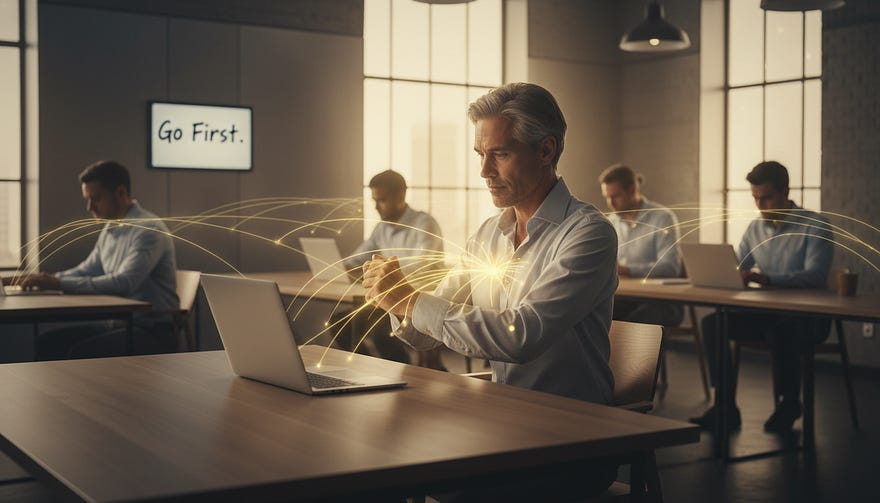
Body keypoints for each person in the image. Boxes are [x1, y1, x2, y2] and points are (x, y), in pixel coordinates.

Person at [363, 82, 619, 499]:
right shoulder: (488, 233)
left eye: (499, 154)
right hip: (504, 424)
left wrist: (411, 300)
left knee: (402, 476)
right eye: (481, 155)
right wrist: (395, 299)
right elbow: (425, 331)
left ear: (545, 151)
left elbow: (520, 337)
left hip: (574, 440)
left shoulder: (588, 234)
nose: (484, 172)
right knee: (376, 461)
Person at [690, 161, 833, 434]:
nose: (760, 205)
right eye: (756, 198)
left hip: (807, 316)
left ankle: (789, 404)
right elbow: (739, 264)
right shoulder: (756, 228)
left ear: (785, 192)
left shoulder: (816, 225)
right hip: (768, 312)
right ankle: (724, 407)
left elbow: (815, 276)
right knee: (713, 324)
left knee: (785, 330)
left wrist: (766, 279)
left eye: (766, 198)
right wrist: (726, 272)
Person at [5, 160, 179, 359]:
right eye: (87, 199)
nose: (89, 207)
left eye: (95, 199)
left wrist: (57, 283)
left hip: (153, 330)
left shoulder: (149, 230)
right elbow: (86, 269)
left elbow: (125, 283)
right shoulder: (111, 228)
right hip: (121, 322)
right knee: (48, 343)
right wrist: (44, 279)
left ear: (121, 193)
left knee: (79, 353)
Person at [343, 169, 446, 369]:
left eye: (381, 200)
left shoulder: (424, 224)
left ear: (400, 196)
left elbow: (421, 268)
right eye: (374, 201)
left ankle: (402, 371)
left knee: (379, 331)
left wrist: (380, 271)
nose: (376, 207)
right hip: (386, 300)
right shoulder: (382, 228)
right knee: (340, 322)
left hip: (414, 301)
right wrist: (350, 267)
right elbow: (356, 259)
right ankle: (372, 370)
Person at [600, 163, 684, 326]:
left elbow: (670, 268)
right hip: (627, 295)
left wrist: (626, 270)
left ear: (632, 190)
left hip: (662, 300)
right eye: (607, 197)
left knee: (638, 322)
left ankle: (646, 352)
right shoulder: (611, 222)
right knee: (596, 315)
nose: (611, 203)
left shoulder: (662, 218)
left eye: (615, 196)